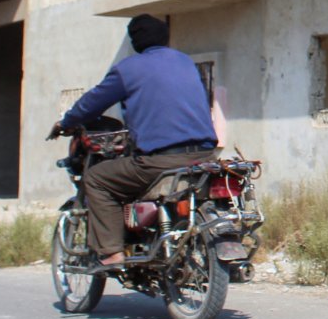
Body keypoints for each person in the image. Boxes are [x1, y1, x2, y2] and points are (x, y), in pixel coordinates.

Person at [50, 14, 219, 268]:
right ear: (165, 38)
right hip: (205, 155)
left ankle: (112, 252)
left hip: (162, 161)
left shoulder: (128, 69)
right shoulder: (184, 62)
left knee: (97, 178)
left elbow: (92, 103)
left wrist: (66, 122)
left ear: (135, 42)